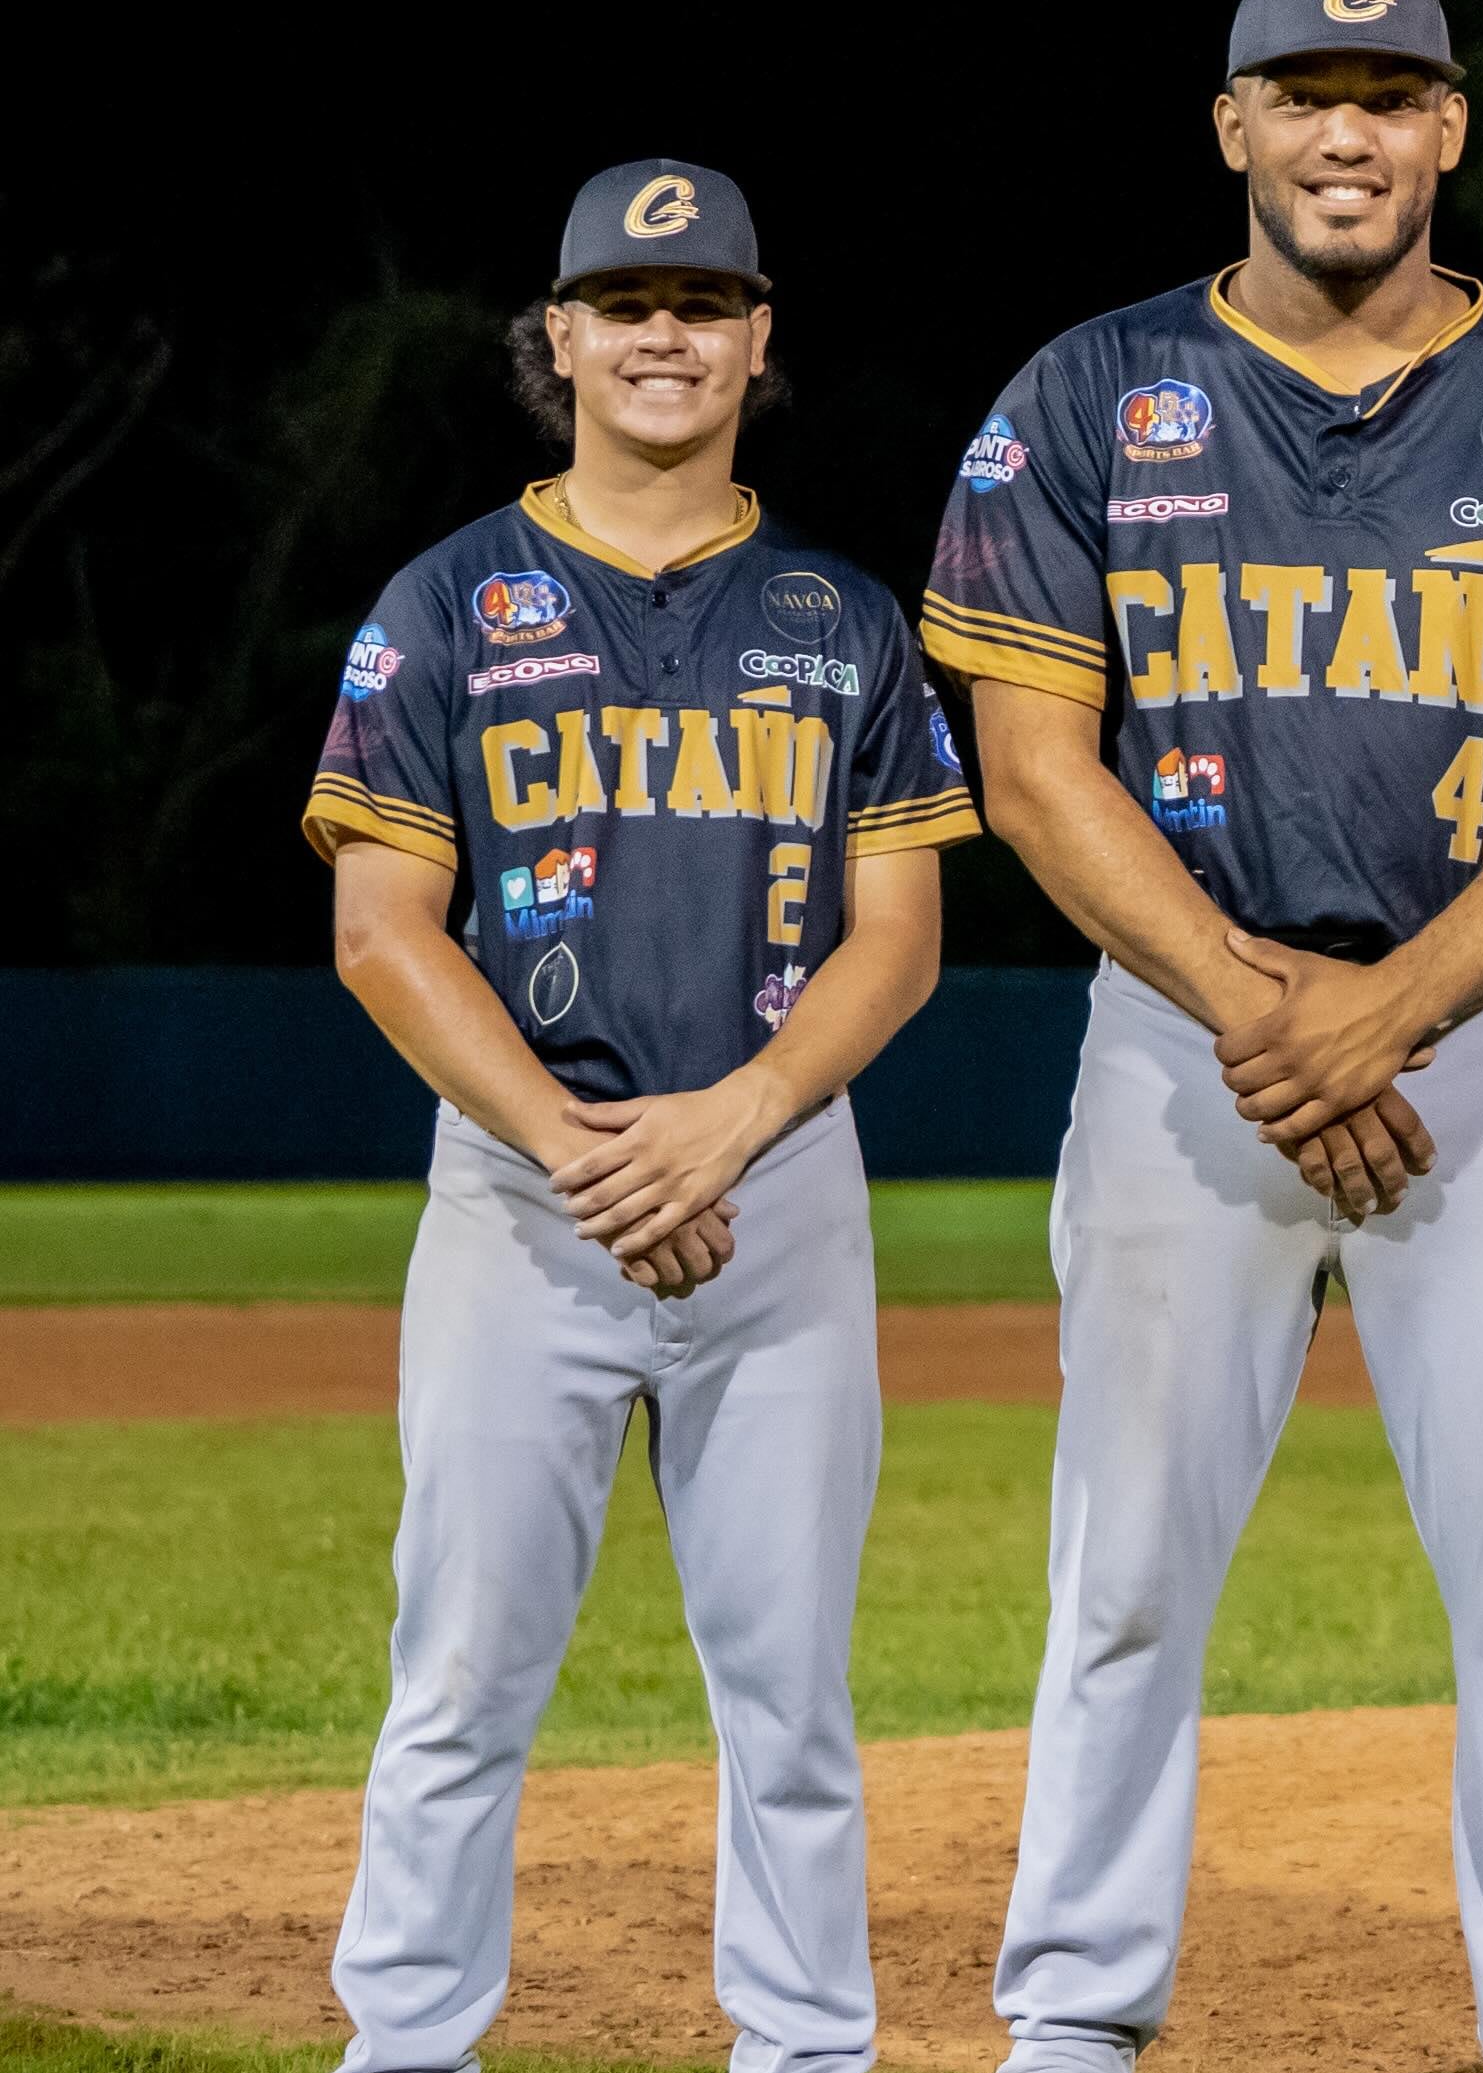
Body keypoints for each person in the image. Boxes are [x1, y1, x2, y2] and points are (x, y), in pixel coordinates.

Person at [922, 0, 1483, 2073]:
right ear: (1235, 129)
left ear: (1451, 126)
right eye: (1305, 91)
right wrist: (1270, 1011)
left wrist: (1393, 1013)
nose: (1348, 131)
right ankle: (1077, 2016)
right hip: (1189, 1049)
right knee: (1124, 1578)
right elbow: (1027, 764)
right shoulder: (1086, 394)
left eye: (1390, 93)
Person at [308, 160, 968, 2073]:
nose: (664, 333)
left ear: (760, 340)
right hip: (527, 1203)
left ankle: (806, 2047)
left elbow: (901, 936)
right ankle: (407, 2044)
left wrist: (736, 1120)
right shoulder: (448, 604)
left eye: (703, 302)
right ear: (564, 338)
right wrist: (588, 1150)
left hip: (779, 1195)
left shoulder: (842, 618)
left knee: (790, 1690)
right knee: (462, 1671)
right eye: (627, 301)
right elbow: (377, 929)